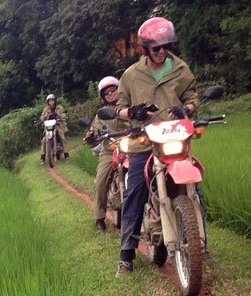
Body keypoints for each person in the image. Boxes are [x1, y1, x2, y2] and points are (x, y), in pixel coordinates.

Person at [113, 17, 198, 277]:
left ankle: (198, 245)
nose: (162, 51)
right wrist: (133, 111)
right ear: (144, 49)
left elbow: (192, 97)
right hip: (143, 143)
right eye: (156, 48)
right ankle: (126, 254)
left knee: (194, 187)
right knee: (135, 192)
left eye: (166, 46)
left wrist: (188, 108)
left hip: (174, 139)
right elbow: (119, 109)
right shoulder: (131, 75)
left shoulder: (181, 69)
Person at [84, 76, 126, 232]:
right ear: (102, 97)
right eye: (106, 92)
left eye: (113, 90)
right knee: (100, 181)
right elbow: (94, 131)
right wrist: (90, 135)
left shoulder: (129, 106)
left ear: (119, 89)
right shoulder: (101, 114)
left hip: (133, 147)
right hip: (111, 149)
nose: (111, 94)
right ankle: (99, 218)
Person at [40, 94, 69, 161]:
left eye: (52, 101)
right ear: (48, 102)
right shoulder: (46, 109)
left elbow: (64, 114)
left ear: (55, 101)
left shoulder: (59, 108)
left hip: (57, 124)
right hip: (48, 126)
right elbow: (41, 118)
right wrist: (46, 115)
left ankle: (66, 154)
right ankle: (42, 156)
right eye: (50, 101)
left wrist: (59, 115)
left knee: (62, 136)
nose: (51, 102)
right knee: (44, 140)